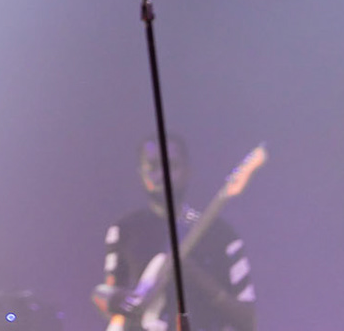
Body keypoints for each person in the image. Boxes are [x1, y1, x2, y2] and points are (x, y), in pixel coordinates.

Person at [93, 138, 257, 331]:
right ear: (141, 174)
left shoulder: (222, 235)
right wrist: (113, 299)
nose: (162, 174)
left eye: (172, 166)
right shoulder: (123, 231)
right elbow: (108, 294)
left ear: (188, 171)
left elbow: (248, 319)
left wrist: (195, 275)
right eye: (153, 167)